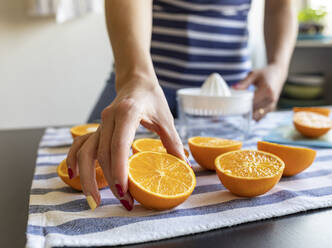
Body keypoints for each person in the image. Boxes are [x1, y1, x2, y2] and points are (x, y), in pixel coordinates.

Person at [66, 0, 297, 211]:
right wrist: (134, 77)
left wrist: (278, 66)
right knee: (86, 157)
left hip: (228, 96)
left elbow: (280, 6)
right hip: (144, 86)